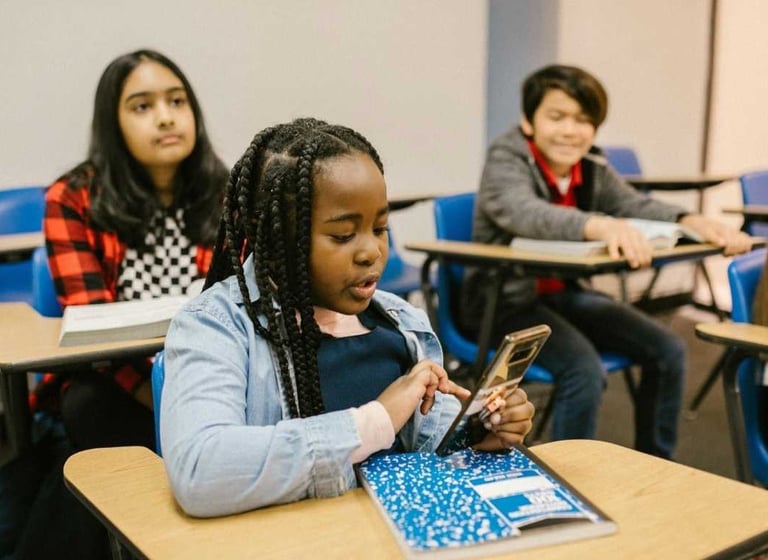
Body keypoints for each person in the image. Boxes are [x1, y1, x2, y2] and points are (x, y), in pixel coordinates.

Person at [160, 118, 536, 517]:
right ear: (277, 240)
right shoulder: (215, 326)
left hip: (397, 531)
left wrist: (478, 431)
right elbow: (201, 471)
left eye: (380, 228)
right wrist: (376, 421)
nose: (371, 252)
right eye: (342, 236)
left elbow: (429, 443)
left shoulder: (403, 323)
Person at [0, 48, 228, 559]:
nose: (166, 117)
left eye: (177, 101)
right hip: (120, 382)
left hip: (208, 376)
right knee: (88, 405)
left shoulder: (226, 192)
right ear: (113, 121)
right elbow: (94, 334)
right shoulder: (73, 198)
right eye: (142, 106)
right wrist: (163, 398)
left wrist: (194, 394)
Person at [461, 64, 753, 459]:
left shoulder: (591, 165)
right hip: (502, 304)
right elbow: (523, 211)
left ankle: (656, 462)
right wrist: (599, 225)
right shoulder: (506, 157)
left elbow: (633, 204)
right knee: (583, 370)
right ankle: (566, 476)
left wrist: (690, 220)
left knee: (668, 349)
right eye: (557, 116)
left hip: (563, 295)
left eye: (583, 120)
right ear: (529, 122)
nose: (570, 130)